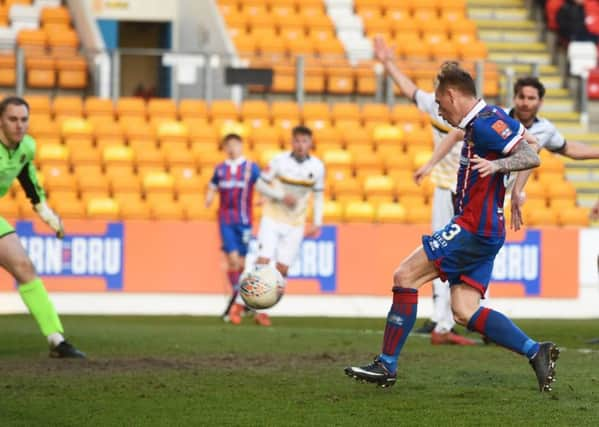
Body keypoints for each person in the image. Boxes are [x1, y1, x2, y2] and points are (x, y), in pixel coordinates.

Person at [345, 63, 560, 393]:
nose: (441, 112)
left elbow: (530, 153)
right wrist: (515, 189)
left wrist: (499, 165)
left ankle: (386, 365)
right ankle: (536, 351)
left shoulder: (487, 123)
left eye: (440, 103)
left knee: (405, 276)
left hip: (473, 227)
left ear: (451, 94)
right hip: (486, 230)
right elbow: (528, 138)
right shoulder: (484, 120)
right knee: (463, 310)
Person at [373, 36, 475, 345]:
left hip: (469, 191)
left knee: (464, 255)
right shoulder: (434, 105)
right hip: (445, 190)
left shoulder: (471, 115)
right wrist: (388, 62)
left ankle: (462, 316)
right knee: (440, 253)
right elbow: (408, 89)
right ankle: (442, 321)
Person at [416, 76, 599, 207]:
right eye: (521, 97)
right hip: (483, 191)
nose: (525, 103)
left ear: (540, 102)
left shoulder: (546, 129)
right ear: (514, 98)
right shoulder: (496, 118)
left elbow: (569, 149)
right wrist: (430, 164)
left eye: (531, 98)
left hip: (510, 197)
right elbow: (456, 134)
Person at [0, 96, 84, 358]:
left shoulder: (26, 148)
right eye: (12, 119)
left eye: (24, 119)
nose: (19, 125)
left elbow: (30, 185)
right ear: (1, 121)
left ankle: (56, 340)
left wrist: (49, 217)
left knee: (24, 267)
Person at [254, 124, 324, 289]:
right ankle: (254, 303)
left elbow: (319, 195)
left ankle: (266, 306)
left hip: (295, 222)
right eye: (297, 141)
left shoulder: (317, 166)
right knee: (263, 260)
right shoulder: (279, 161)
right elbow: (259, 184)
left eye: (304, 141)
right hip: (272, 217)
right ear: (292, 142)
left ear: (310, 143)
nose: (301, 145)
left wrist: (317, 221)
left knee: (283, 269)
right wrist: (281, 196)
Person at [205, 133, 264, 326]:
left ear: (241, 146)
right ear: (224, 148)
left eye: (235, 145)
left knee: (241, 263)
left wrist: (263, 196)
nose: (231, 149)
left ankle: (238, 301)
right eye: (228, 145)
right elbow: (212, 184)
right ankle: (239, 301)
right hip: (226, 220)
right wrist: (209, 196)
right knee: (232, 261)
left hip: (245, 220)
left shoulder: (249, 167)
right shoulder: (220, 169)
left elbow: (262, 183)